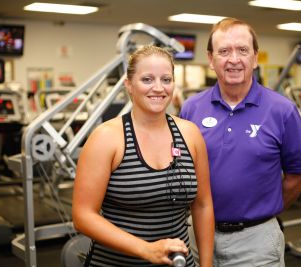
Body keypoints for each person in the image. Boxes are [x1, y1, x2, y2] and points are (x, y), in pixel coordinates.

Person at [180, 17, 301, 266]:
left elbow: (299, 178)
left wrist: (262, 212)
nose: (234, 59)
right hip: (196, 234)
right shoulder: (191, 108)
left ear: (254, 57)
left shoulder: (282, 110)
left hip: (257, 242)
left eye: (242, 50)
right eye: (224, 51)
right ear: (210, 58)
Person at [73, 45, 214, 267]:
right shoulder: (107, 138)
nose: (158, 88)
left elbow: (203, 205)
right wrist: (146, 250)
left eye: (166, 79)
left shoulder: (190, 134)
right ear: (129, 85)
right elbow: (83, 216)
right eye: (147, 79)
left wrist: (206, 265)